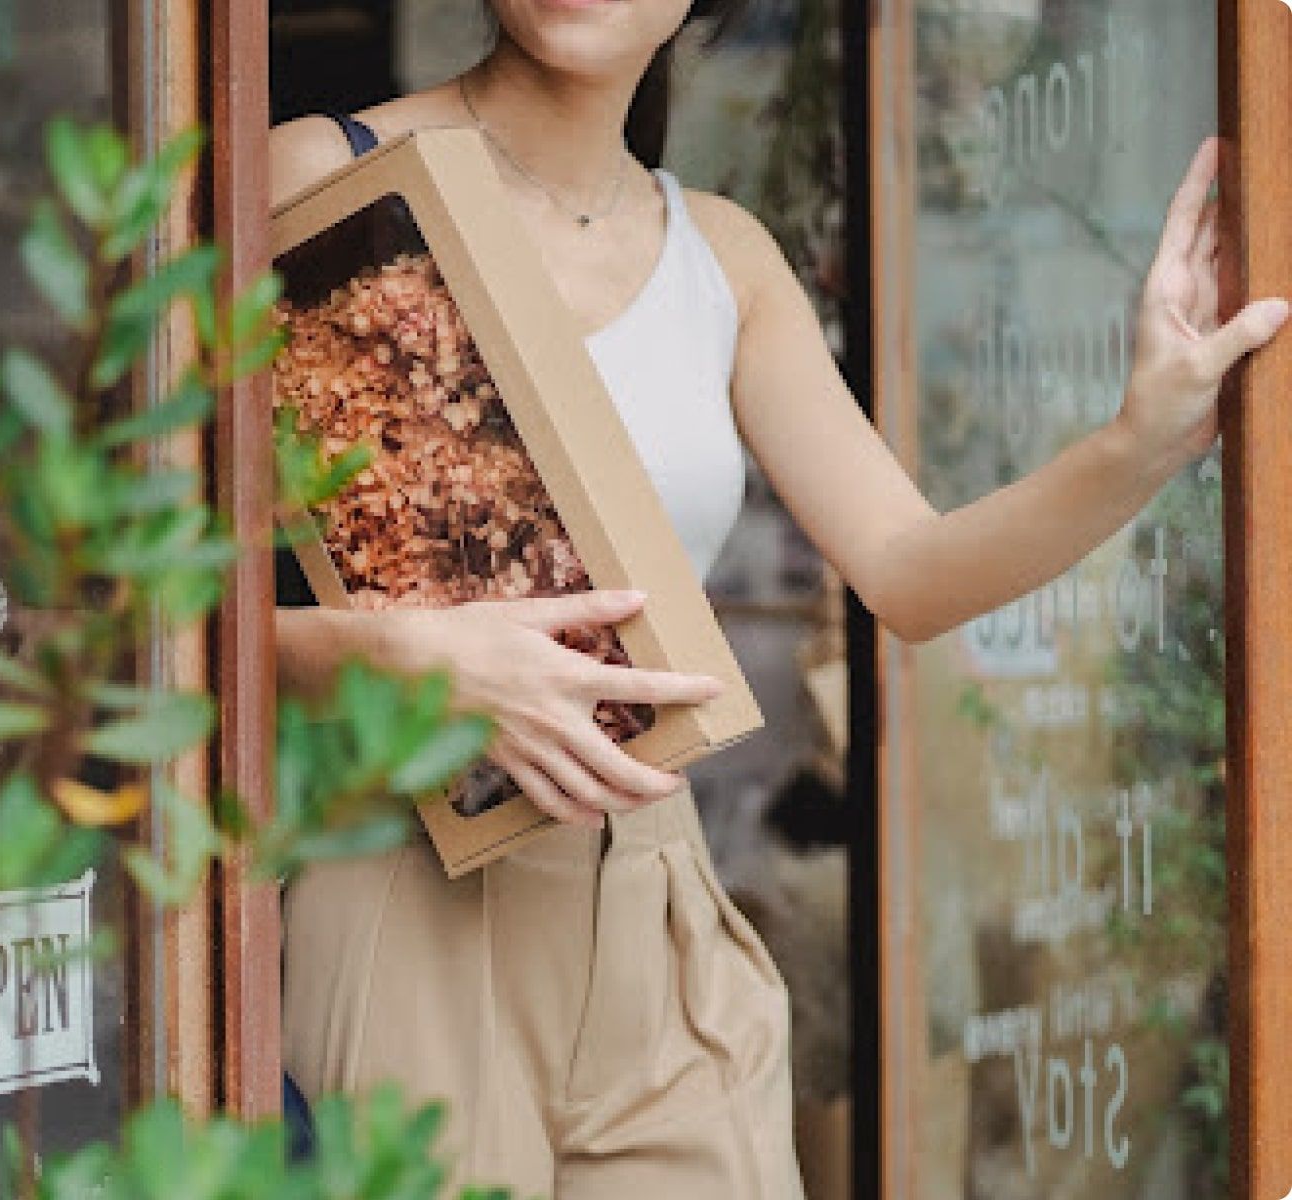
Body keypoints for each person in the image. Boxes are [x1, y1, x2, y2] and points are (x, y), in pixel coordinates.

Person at [268, 2, 1286, 1197]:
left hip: (652, 892)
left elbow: (906, 570)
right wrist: (402, 664)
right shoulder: (318, 178)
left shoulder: (721, 255)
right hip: (405, 878)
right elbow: (102, 604)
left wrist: (1139, 440)